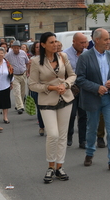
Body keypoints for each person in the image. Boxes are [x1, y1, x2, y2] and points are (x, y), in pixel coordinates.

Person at [29, 32, 76, 183]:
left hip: (66, 98)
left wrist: (66, 85)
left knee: (62, 135)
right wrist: (51, 87)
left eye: (56, 41)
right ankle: (50, 166)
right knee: (53, 134)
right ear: (43, 45)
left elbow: (72, 75)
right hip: (47, 101)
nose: (55, 44)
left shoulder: (63, 57)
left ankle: (59, 167)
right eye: (51, 42)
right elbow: (32, 84)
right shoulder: (36, 62)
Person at [76, 29, 110, 172]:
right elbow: (80, 79)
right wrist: (97, 88)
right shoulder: (85, 57)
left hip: (109, 98)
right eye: (106, 39)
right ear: (97, 40)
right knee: (92, 128)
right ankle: (89, 153)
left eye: (109, 39)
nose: (109, 42)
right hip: (93, 99)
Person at [64, 32, 89, 148]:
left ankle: (82, 140)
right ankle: (69, 135)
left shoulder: (88, 54)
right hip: (71, 89)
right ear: (74, 42)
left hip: (84, 89)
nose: (84, 45)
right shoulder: (65, 54)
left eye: (85, 42)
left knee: (83, 115)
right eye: (81, 42)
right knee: (71, 114)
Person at [5, 40, 28, 115]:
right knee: (17, 91)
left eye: (17, 48)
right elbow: (5, 63)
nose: (16, 49)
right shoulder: (8, 55)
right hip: (15, 75)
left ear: (19, 48)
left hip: (23, 74)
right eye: (14, 48)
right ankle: (20, 107)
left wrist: (28, 71)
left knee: (22, 92)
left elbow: (27, 62)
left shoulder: (23, 53)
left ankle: (18, 104)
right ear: (12, 48)